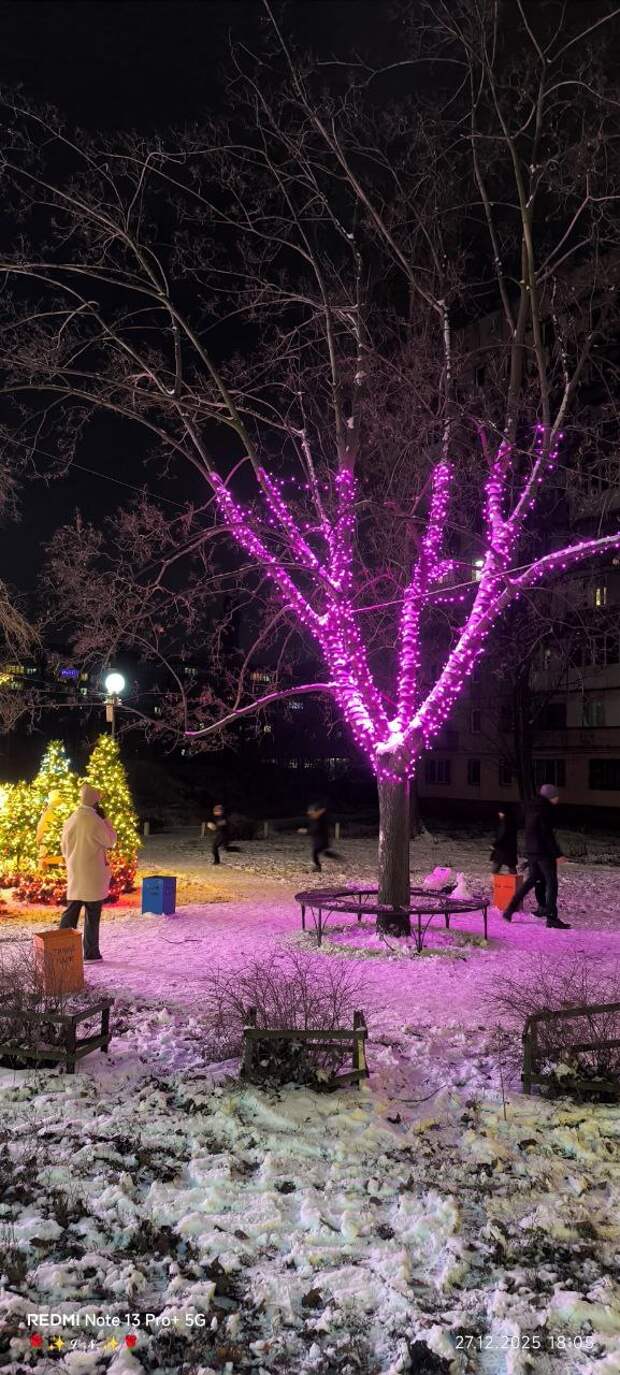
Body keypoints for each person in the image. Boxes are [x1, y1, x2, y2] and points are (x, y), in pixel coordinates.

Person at [59, 784, 117, 961]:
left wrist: (71, 860)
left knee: (70, 914)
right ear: (95, 802)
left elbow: (63, 846)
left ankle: (61, 949)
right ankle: (91, 953)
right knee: (92, 915)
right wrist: (106, 820)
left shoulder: (71, 819)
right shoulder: (95, 821)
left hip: (76, 873)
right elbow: (110, 841)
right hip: (92, 875)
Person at [502, 783, 570, 929]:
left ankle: (510, 909)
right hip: (544, 852)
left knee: (531, 880)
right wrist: (557, 854)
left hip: (531, 850)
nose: (558, 799)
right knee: (552, 883)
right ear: (550, 796)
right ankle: (551, 918)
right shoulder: (546, 809)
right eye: (556, 796)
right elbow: (547, 833)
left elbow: (527, 828)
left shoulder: (531, 807)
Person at [300, 803, 341, 873]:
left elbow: (315, 829)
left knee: (315, 853)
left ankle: (318, 867)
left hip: (322, 841)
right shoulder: (315, 819)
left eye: (311, 811)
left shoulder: (321, 820)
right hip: (320, 841)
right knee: (323, 852)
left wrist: (306, 831)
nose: (309, 813)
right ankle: (337, 858)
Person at [490, 805, 518, 874]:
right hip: (510, 849)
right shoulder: (512, 823)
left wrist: (495, 844)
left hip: (502, 849)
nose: (499, 814)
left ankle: (496, 882)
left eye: (500, 813)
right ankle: (515, 882)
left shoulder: (504, 823)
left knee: (496, 867)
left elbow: (502, 835)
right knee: (511, 866)